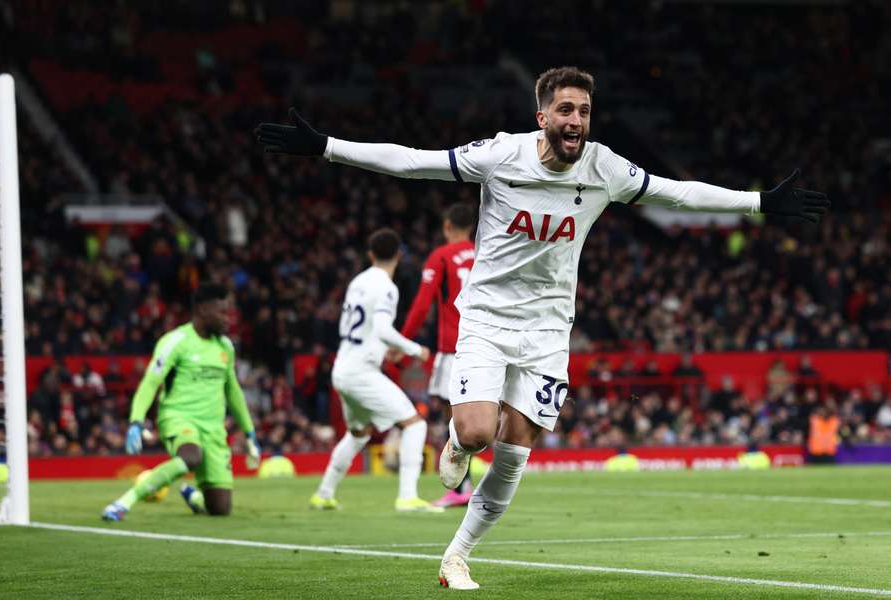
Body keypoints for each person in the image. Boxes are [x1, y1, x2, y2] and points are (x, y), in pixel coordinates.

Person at [255, 65, 830, 590]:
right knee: (479, 432)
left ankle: (456, 556)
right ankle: (456, 440)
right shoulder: (501, 156)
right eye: (565, 110)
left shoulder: (606, 167)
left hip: (550, 331)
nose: (575, 120)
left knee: (514, 452)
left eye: (583, 110)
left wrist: (759, 202)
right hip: (485, 318)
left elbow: (679, 194)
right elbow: (413, 161)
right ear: (543, 117)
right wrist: (327, 147)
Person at [102, 283, 260, 521]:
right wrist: (136, 421)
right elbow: (150, 382)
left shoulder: (225, 346)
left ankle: (193, 497)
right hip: (179, 418)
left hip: (214, 429)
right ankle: (124, 502)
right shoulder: (175, 341)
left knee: (220, 508)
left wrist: (249, 432)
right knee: (191, 456)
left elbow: (233, 391)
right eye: (222, 312)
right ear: (203, 309)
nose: (228, 318)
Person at [309, 228, 441, 513]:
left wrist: (386, 349)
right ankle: (407, 496)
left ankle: (324, 494)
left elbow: (365, 329)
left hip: (343, 368)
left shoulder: (358, 281)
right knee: (415, 423)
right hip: (360, 372)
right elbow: (381, 329)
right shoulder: (387, 287)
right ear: (399, 255)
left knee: (358, 434)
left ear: (370, 254)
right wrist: (415, 349)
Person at [399, 202, 476, 508]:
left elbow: (422, 304)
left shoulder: (441, 256)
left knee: (452, 413)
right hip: (484, 343)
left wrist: (402, 342)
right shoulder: (485, 252)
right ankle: (470, 487)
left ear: (447, 226)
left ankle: (460, 488)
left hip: (453, 346)